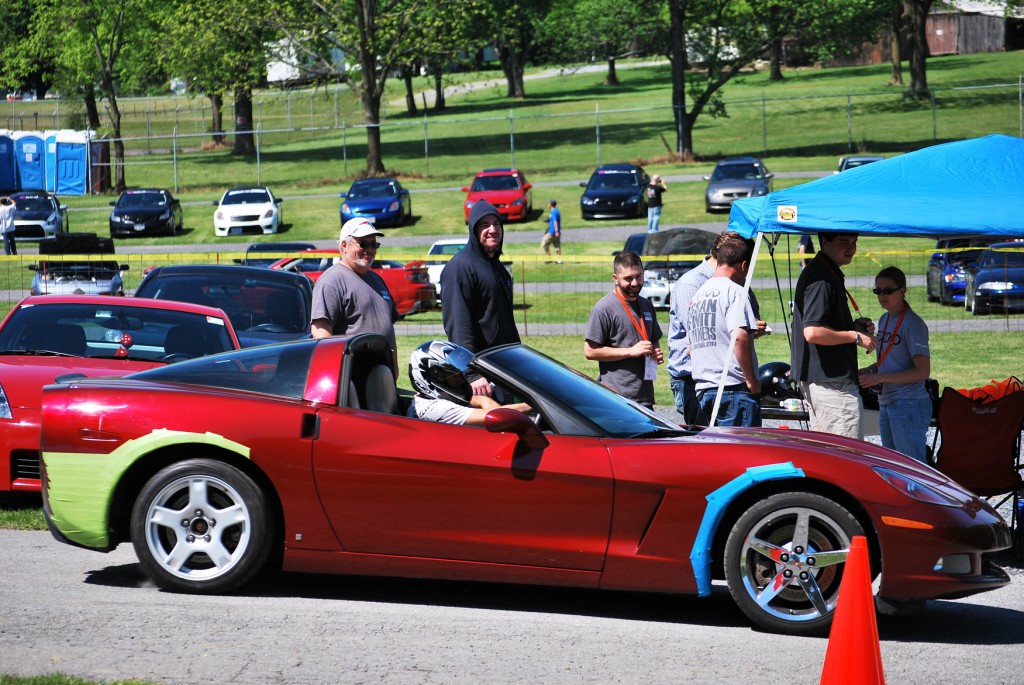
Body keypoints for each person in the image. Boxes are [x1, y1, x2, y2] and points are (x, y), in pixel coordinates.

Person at [792, 232, 877, 439]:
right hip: (832, 386)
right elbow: (812, 332)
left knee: (829, 457)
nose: (851, 248)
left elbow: (821, 324)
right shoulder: (821, 278)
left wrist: (852, 326)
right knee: (846, 458)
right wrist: (855, 336)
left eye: (854, 242)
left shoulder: (825, 271)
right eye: (844, 242)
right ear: (824, 242)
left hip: (828, 382)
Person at [441, 199, 520, 397]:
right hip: (483, 376)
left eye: (496, 224)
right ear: (474, 231)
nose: (492, 229)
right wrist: (471, 373)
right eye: (484, 225)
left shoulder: (498, 268)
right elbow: (459, 326)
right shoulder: (460, 269)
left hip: (507, 368)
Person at [687, 235, 763, 427]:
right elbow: (739, 337)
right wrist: (751, 379)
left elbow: (691, 347)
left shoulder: (698, 295)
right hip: (732, 389)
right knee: (743, 452)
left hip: (705, 388)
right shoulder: (735, 291)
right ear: (744, 265)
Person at [858, 267, 932, 462]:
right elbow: (891, 361)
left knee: (912, 468)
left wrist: (879, 377)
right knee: (894, 467)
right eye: (878, 291)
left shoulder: (913, 323)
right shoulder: (884, 319)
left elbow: (923, 371)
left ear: (902, 291)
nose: (882, 295)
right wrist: (869, 371)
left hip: (908, 403)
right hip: (887, 402)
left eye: (888, 290)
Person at [310, 217, 398, 369]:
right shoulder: (332, 281)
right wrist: (340, 372)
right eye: (363, 244)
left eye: (374, 244)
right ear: (344, 245)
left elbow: (388, 328)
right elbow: (320, 331)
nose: (369, 249)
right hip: (352, 378)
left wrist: (394, 368)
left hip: (381, 376)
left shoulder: (377, 280)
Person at [584, 251, 664, 408]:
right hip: (617, 400)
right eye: (628, 278)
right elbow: (590, 352)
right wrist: (630, 351)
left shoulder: (646, 305)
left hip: (645, 398)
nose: (635, 283)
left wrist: (655, 352)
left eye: (639, 276)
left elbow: (654, 340)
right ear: (615, 278)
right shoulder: (604, 309)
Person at [407, 340, 531, 426]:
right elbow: (496, 416)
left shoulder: (430, 398)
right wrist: (533, 405)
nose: (462, 380)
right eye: (454, 377)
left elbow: (481, 400)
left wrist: (485, 401)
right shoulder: (436, 409)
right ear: (434, 379)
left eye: (460, 374)